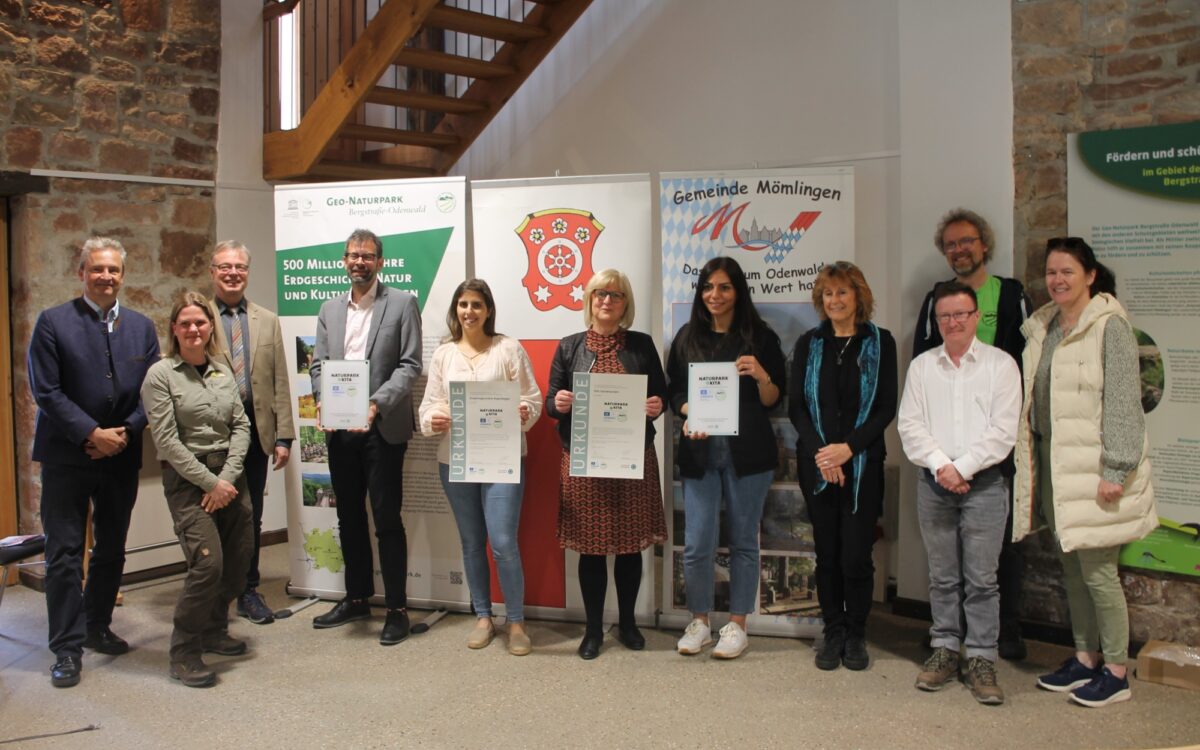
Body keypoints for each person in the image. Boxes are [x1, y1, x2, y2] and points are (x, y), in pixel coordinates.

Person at [1014, 237, 1156, 708]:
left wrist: (1117, 467)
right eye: (1051, 272)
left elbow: (1122, 403)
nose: (1057, 280)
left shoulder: (1109, 325)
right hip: (1055, 463)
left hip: (1096, 468)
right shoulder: (1046, 326)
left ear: (1090, 276)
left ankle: (1117, 671)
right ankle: (1084, 658)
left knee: (1099, 573)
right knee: (1072, 567)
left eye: (1067, 272)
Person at [28, 237, 160, 688]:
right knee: (64, 554)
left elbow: (153, 391)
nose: (106, 277)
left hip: (120, 455)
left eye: (113, 270)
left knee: (111, 548)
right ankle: (66, 648)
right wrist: (91, 433)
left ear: (123, 275)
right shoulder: (52, 323)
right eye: (97, 269)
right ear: (81, 272)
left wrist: (124, 433)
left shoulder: (142, 328)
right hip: (68, 457)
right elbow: (46, 391)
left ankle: (96, 625)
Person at [913, 208, 1033, 660]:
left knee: (996, 555)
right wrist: (944, 463)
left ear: (984, 244)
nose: (959, 250)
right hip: (942, 456)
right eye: (950, 244)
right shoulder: (933, 300)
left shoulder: (1011, 294)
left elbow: (1027, 357)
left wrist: (968, 465)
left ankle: (999, 636)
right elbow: (921, 368)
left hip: (993, 448)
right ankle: (948, 638)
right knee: (945, 566)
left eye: (967, 242)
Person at [898, 280, 1021, 706]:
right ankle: (946, 648)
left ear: (975, 318)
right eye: (944, 316)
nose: (952, 322)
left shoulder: (1001, 365)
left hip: (985, 484)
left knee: (982, 579)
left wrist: (962, 468)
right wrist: (942, 467)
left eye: (960, 315)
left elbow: (1003, 431)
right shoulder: (922, 367)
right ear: (937, 321)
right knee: (943, 575)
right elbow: (910, 425)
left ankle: (982, 656)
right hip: (934, 483)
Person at [545, 269, 669, 660]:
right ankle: (594, 629)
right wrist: (559, 404)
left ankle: (629, 623)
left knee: (630, 547)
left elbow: (660, 395)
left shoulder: (642, 345)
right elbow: (550, 401)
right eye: (600, 293)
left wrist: (656, 405)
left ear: (625, 303)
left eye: (615, 295)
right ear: (589, 299)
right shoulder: (569, 347)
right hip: (584, 461)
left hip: (632, 457)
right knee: (592, 550)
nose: (607, 301)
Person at [666, 256, 786, 659]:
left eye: (724, 287)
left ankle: (737, 625)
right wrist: (688, 413)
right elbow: (675, 395)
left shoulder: (761, 337)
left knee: (743, 542)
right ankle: (699, 620)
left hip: (748, 456)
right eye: (708, 287)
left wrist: (761, 375)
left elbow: (773, 400)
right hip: (700, 453)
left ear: (738, 292)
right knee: (698, 543)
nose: (714, 295)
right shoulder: (687, 337)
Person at [310, 228, 422, 646]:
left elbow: (409, 365)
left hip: (382, 428)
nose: (360, 262)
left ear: (380, 261)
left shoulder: (402, 304)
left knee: (387, 520)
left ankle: (396, 609)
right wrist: (323, 400)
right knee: (348, 518)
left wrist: (373, 404)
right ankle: (357, 598)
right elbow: (319, 365)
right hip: (340, 430)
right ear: (344, 260)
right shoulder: (329, 309)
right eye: (353, 255)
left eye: (368, 256)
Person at [418, 279, 541, 656]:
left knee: (503, 544)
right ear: (455, 310)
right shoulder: (444, 355)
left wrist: (525, 412)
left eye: (476, 304)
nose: (469, 311)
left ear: (488, 310)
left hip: (502, 460)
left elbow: (532, 398)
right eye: (462, 304)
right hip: (454, 460)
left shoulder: (508, 349)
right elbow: (429, 407)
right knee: (472, 543)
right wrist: (434, 420)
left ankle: (516, 622)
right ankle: (484, 617)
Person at [788, 262, 896, 672]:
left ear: (858, 296)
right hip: (817, 466)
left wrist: (847, 449)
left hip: (863, 464)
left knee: (856, 555)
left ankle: (856, 632)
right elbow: (796, 407)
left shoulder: (881, 343)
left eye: (842, 293)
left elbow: (886, 406)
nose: (834, 300)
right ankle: (832, 630)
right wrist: (823, 454)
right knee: (827, 554)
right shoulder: (809, 343)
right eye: (828, 294)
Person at [141, 292, 253, 688]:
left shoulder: (222, 369)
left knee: (239, 561)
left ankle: (214, 630)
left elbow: (241, 426)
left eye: (200, 323)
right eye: (185, 323)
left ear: (210, 328)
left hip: (229, 476)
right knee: (208, 565)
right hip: (190, 483)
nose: (193, 329)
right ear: (174, 328)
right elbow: (167, 442)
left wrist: (228, 477)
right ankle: (184, 652)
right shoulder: (161, 375)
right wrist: (212, 484)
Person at [207, 240, 295, 625]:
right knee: (212, 516)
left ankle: (248, 589)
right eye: (224, 266)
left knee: (252, 515)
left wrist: (284, 436)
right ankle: (212, 593)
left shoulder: (267, 319)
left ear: (248, 271)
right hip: (212, 438)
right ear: (212, 271)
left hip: (257, 435)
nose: (232, 273)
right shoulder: (197, 317)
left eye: (239, 267)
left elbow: (279, 381)